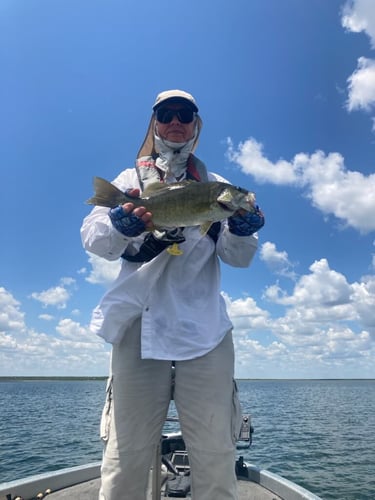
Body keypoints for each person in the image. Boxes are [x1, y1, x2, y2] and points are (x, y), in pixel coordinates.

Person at [80, 89, 265, 500]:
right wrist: (119, 226)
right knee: (125, 453)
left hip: (205, 333)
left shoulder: (216, 187)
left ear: (196, 125)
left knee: (216, 451)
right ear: (156, 123)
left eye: (186, 114)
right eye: (167, 114)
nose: (176, 121)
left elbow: (239, 258)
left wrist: (242, 228)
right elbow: (93, 239)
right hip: (137, 327)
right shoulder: (130, 181)